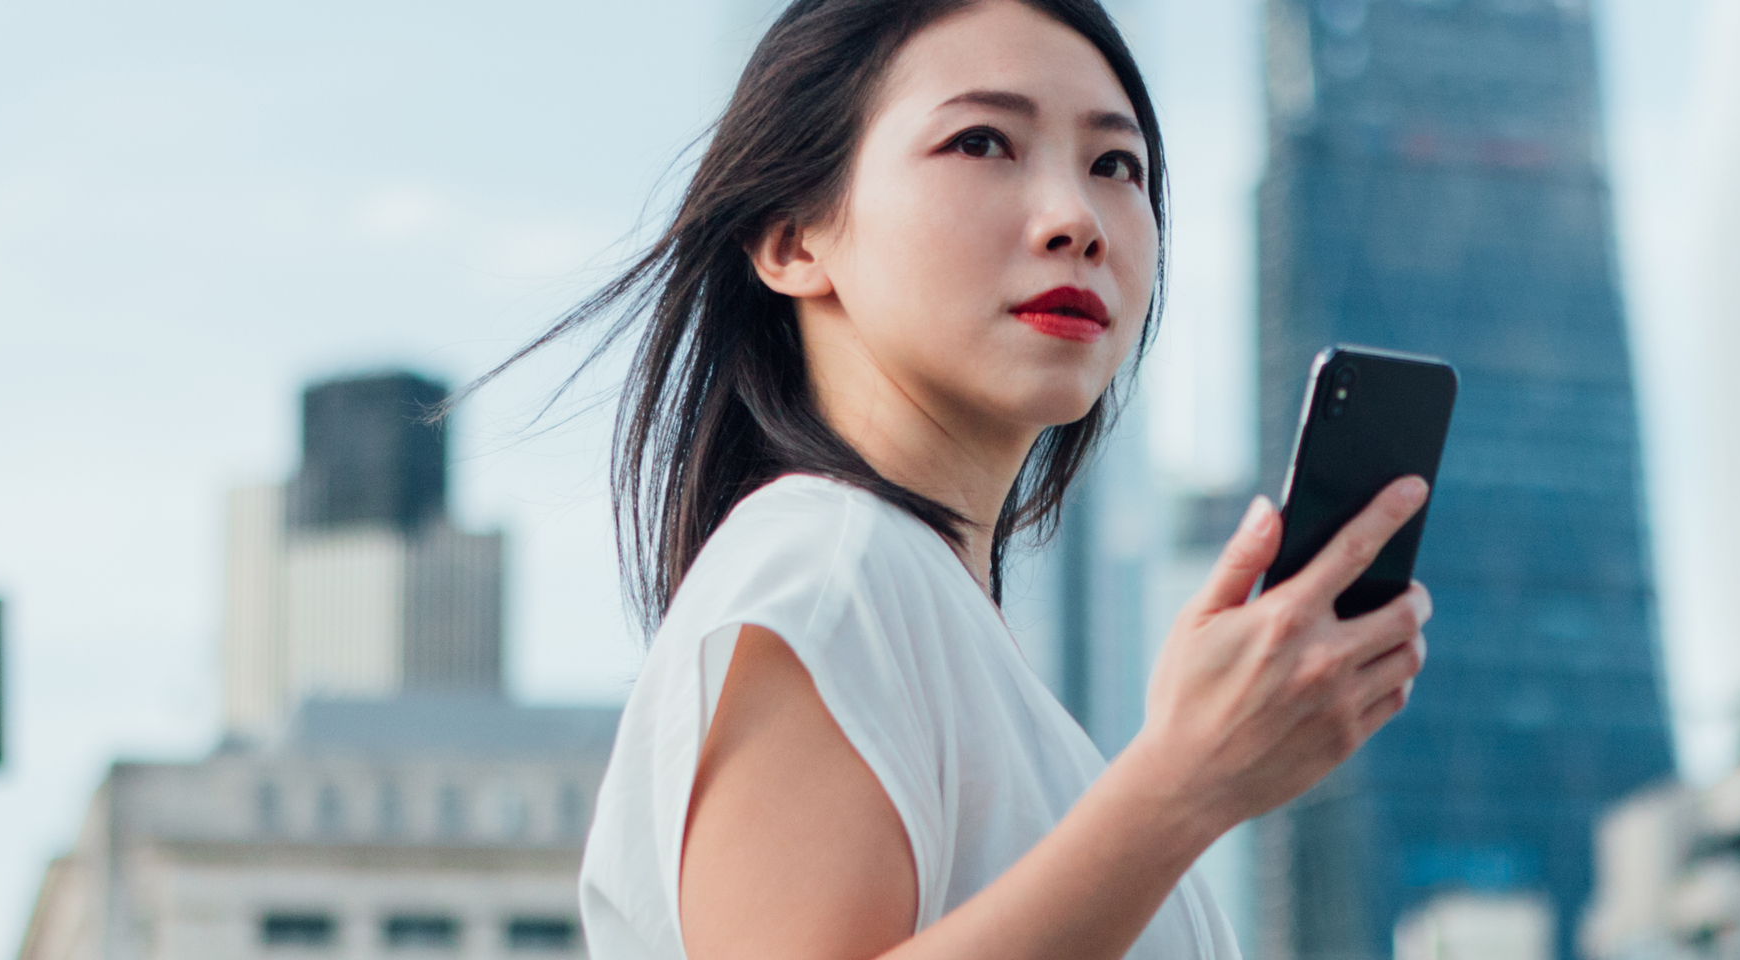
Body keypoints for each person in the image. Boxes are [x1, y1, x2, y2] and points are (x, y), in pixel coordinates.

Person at [488, 1, 1434, 958]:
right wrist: (1184, 781)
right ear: (792, 238)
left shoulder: (945, 632)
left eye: (1117, 165)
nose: (1077, 220)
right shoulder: (821, 568)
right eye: (981, 142)